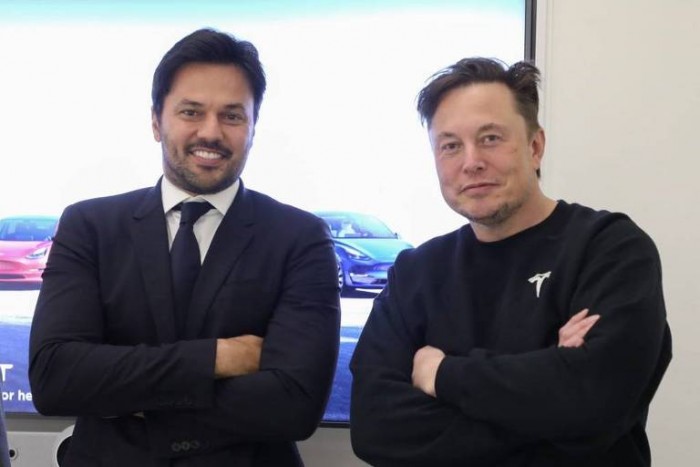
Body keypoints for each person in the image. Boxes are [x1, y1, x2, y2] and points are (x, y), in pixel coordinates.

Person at [29, 28, 340, 466]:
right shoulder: (90, 226)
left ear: (253, 128)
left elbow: (294, 405)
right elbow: (55, 379)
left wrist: (130, 401)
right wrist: (218, 357)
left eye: (232, 116)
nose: (211, 132)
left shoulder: (299, 237)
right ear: (157, 122)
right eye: (191, 112)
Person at [350, 57, 672, 466]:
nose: (471, 162)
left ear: (535, 147)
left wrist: (443, 374)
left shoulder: (609, 249)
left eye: (490, 138)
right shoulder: (416, 272)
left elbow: (594, 402)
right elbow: (374, 427)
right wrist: (546, 393)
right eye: (450, 146)